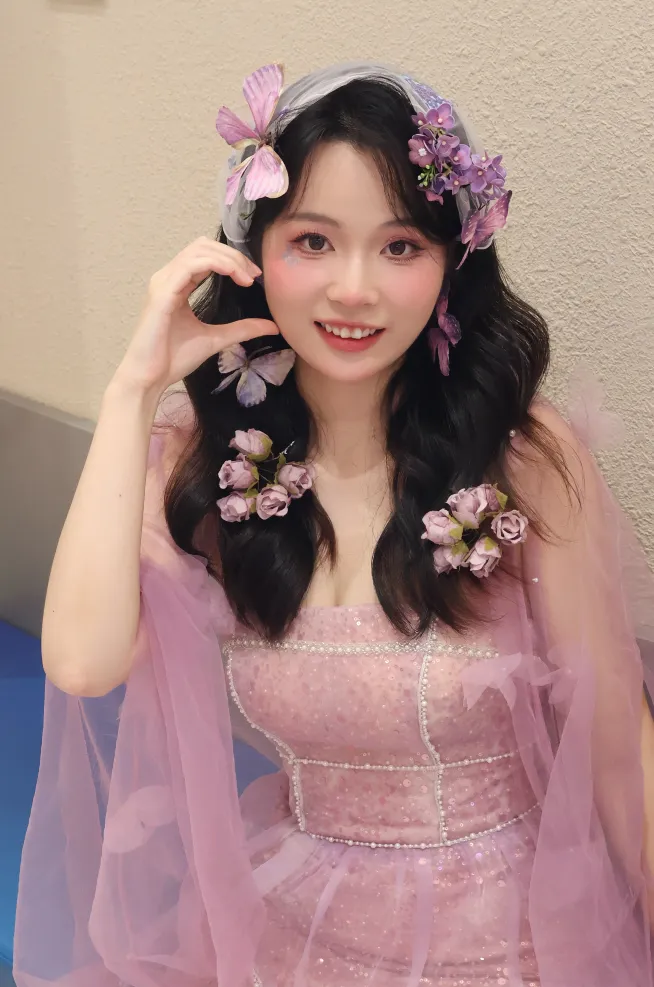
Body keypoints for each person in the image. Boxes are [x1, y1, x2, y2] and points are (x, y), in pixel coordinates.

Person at [12, 61, 654, 987]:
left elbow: (620, 751)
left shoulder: (520, 458)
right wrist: (132, 388)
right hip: (296, 928)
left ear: (451, 264)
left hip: (510, 942)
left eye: (400, 247)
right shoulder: (200, 458)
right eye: (313, 241)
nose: (354, 290)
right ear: (251, 250)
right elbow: (81, 662)